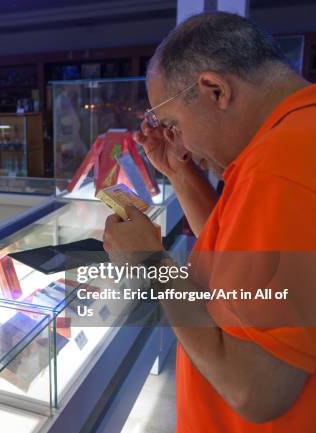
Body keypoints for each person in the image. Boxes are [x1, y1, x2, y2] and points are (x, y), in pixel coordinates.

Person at [103, 12, 316, 432]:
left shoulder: (280, 170)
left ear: (215, 90)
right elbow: (237, 262)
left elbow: (256, 391)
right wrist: (181, 174)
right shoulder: (288, 139)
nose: (179, 142)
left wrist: (151, 263)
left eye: (174, 125)